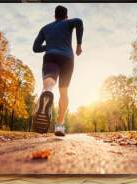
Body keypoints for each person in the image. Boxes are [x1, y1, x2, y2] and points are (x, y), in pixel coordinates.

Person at [32, 5, 83, 136]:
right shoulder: (68, 23)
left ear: (54, 16)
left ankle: (47, 94)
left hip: (51, 56)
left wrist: (48, 46)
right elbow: (79, 22)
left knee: (49, 82)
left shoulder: (45, 28)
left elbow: (35, 48)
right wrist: (78, 45)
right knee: (64, 92)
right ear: (66, 16)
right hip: (67, 58)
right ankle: (59, 125)